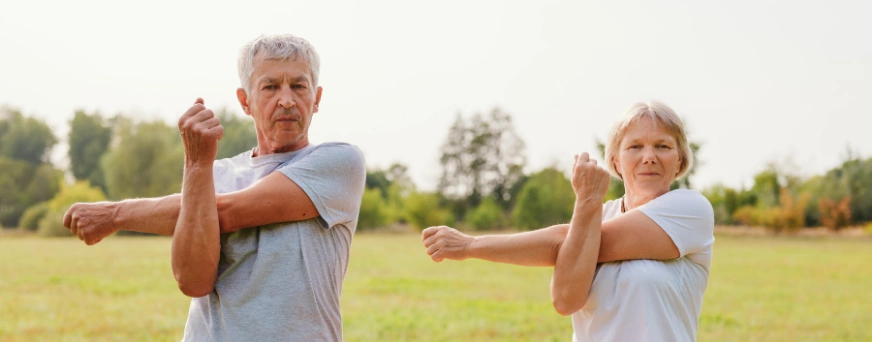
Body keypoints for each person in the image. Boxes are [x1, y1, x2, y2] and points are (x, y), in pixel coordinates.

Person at [63, 34, 365, 341]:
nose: (286, 100)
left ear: (317, 98)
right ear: (245, 100)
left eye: (298, 86)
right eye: (271, 86)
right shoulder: (214, 175)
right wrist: (196, 164)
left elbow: (225, 212)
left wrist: (116, 214)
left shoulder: (338, 163)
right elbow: (192, 282)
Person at [422, 101, 714, 341]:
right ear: (615, 161)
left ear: (680, 160)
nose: (649, 156)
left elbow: (566, 239)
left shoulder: (690, 210)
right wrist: (587, 209)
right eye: (635, 146)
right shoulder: (595, 219)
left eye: (662, 146)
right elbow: (565, 301)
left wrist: (470, 245)